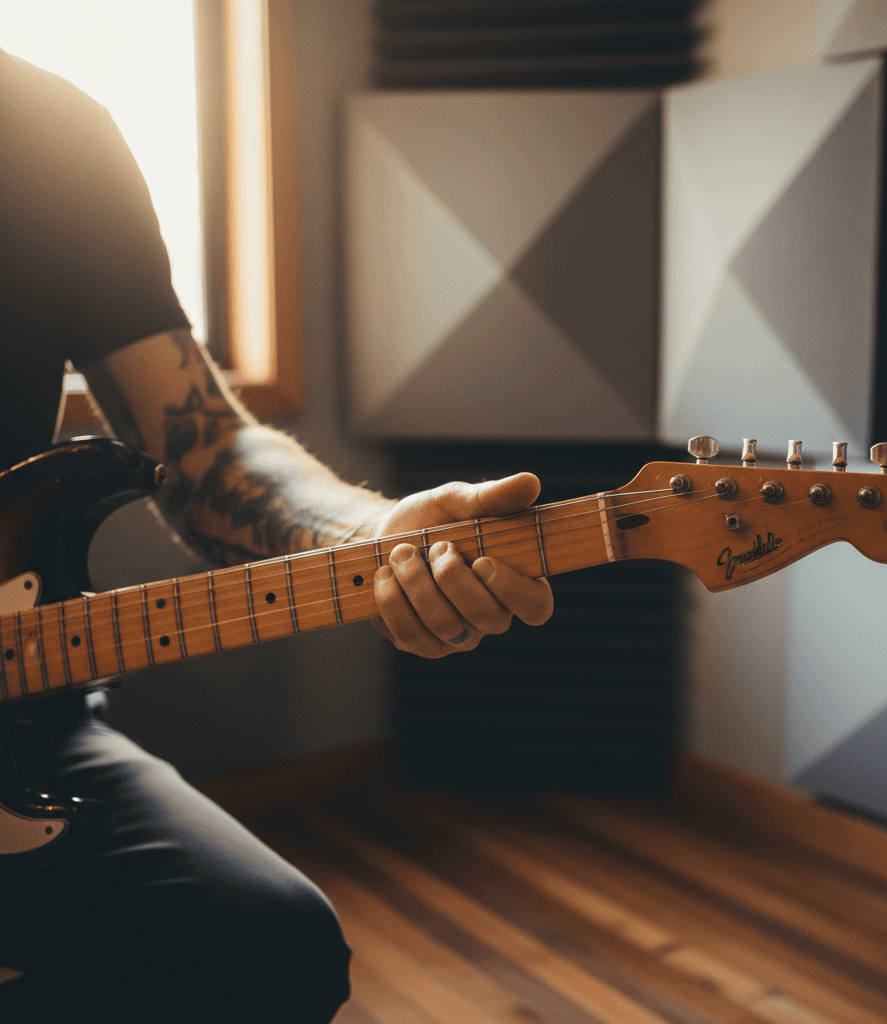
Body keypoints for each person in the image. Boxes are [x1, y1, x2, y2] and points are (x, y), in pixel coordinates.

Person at [0, 45, 553, 1022]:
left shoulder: (46, 132)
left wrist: (372, 533)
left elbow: (204, 448)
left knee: (259, 945)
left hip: (20, 719)